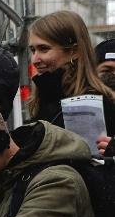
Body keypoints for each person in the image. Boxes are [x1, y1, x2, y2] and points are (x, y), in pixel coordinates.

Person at [27, 9, 115, 142]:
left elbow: (83, 158)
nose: (35, 59)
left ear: (74, 51)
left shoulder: (90, 103)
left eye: (44, 49)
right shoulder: (46, 94)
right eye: (33, 50)